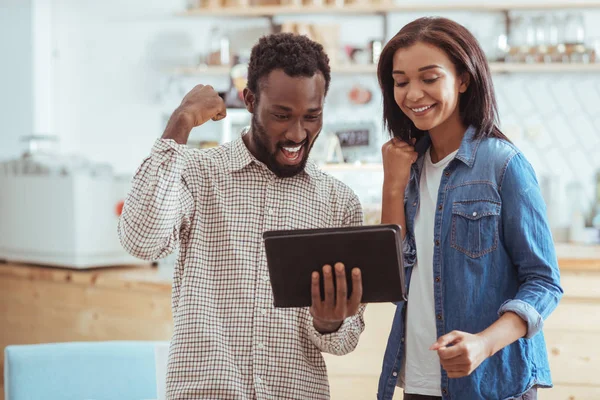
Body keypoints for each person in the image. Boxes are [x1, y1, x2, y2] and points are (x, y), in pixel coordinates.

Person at [118, 33, 366, 400]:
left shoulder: (338, 203)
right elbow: (141, 240)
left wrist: (328, 323)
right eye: (282, 115)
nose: (298, 133)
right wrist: (181, 121)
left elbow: (345, 340)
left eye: (312, 117)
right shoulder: (198, 173)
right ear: (250, 100)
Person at [376, 17, 563, 400]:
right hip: (418, 380)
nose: (413, 94)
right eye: (401, 81)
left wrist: (483, 344)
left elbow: (544, 282)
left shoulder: (503, 165)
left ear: (463, 79)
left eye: (429, 78)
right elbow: (392, 276)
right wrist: (392, 185)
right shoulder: (406, 167)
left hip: (490, 384)